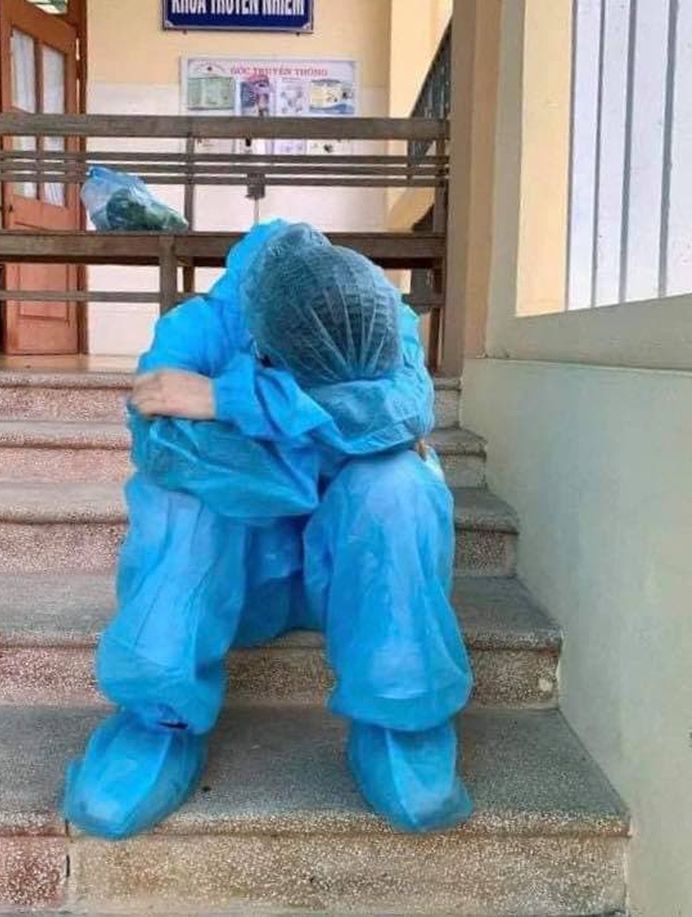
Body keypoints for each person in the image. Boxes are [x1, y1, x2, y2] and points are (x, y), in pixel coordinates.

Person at [64, 221, 473, 840]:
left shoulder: (379, 315)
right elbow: (167, 447)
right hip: (242, 574)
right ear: (262, 341)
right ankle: (159, 721)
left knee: (396, 483)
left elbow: (406, 410)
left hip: (344, 574)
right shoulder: (196, 329)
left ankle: (401, 715)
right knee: (186, 496)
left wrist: (230, 401)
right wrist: (332, 442)